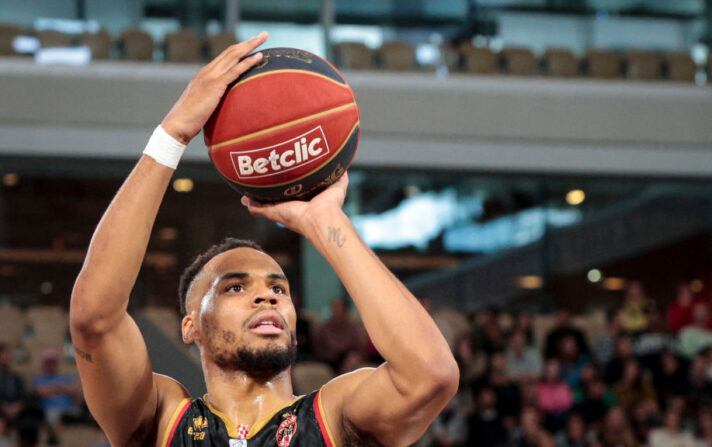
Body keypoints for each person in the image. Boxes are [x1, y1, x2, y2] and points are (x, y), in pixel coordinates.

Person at [69, 32, 458, 447]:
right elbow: (94, 318)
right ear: (190, 326)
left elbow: (431, 375)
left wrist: (326, 221)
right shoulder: (163, 419)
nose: (267, 297)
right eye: (235, 286)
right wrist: (173, 135)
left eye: (279, 288)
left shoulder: (336, 418)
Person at [314, 298, 362, 367]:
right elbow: (319, 349)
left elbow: (357, 347)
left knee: (352, 359)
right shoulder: (325, 328)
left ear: (345, 311)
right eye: (335, 308)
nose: (337, 311)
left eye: (340, 309)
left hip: (348, 358)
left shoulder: (351, 328)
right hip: (330, 360)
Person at [0, 343, 25, 422]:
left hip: (16, 413)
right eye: (3, 354)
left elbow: (23, 396)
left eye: (8, 354)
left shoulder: (16, 377)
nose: (6, 357)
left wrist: (16, 408)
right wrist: (4, 408)